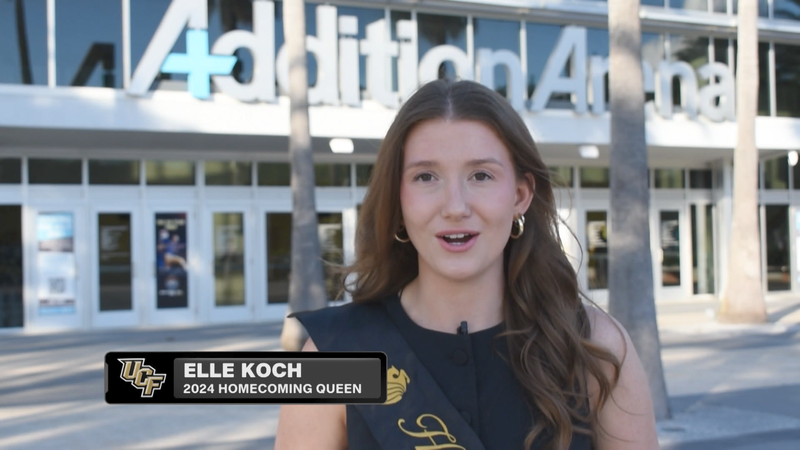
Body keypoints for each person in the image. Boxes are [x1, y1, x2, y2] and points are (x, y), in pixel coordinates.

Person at [275, 79, 659, 449]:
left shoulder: (594, 347)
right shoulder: (335, 355)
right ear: (398, 198)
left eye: (481, 175)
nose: (455, 207)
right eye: (426, 176)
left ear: (520, 195)